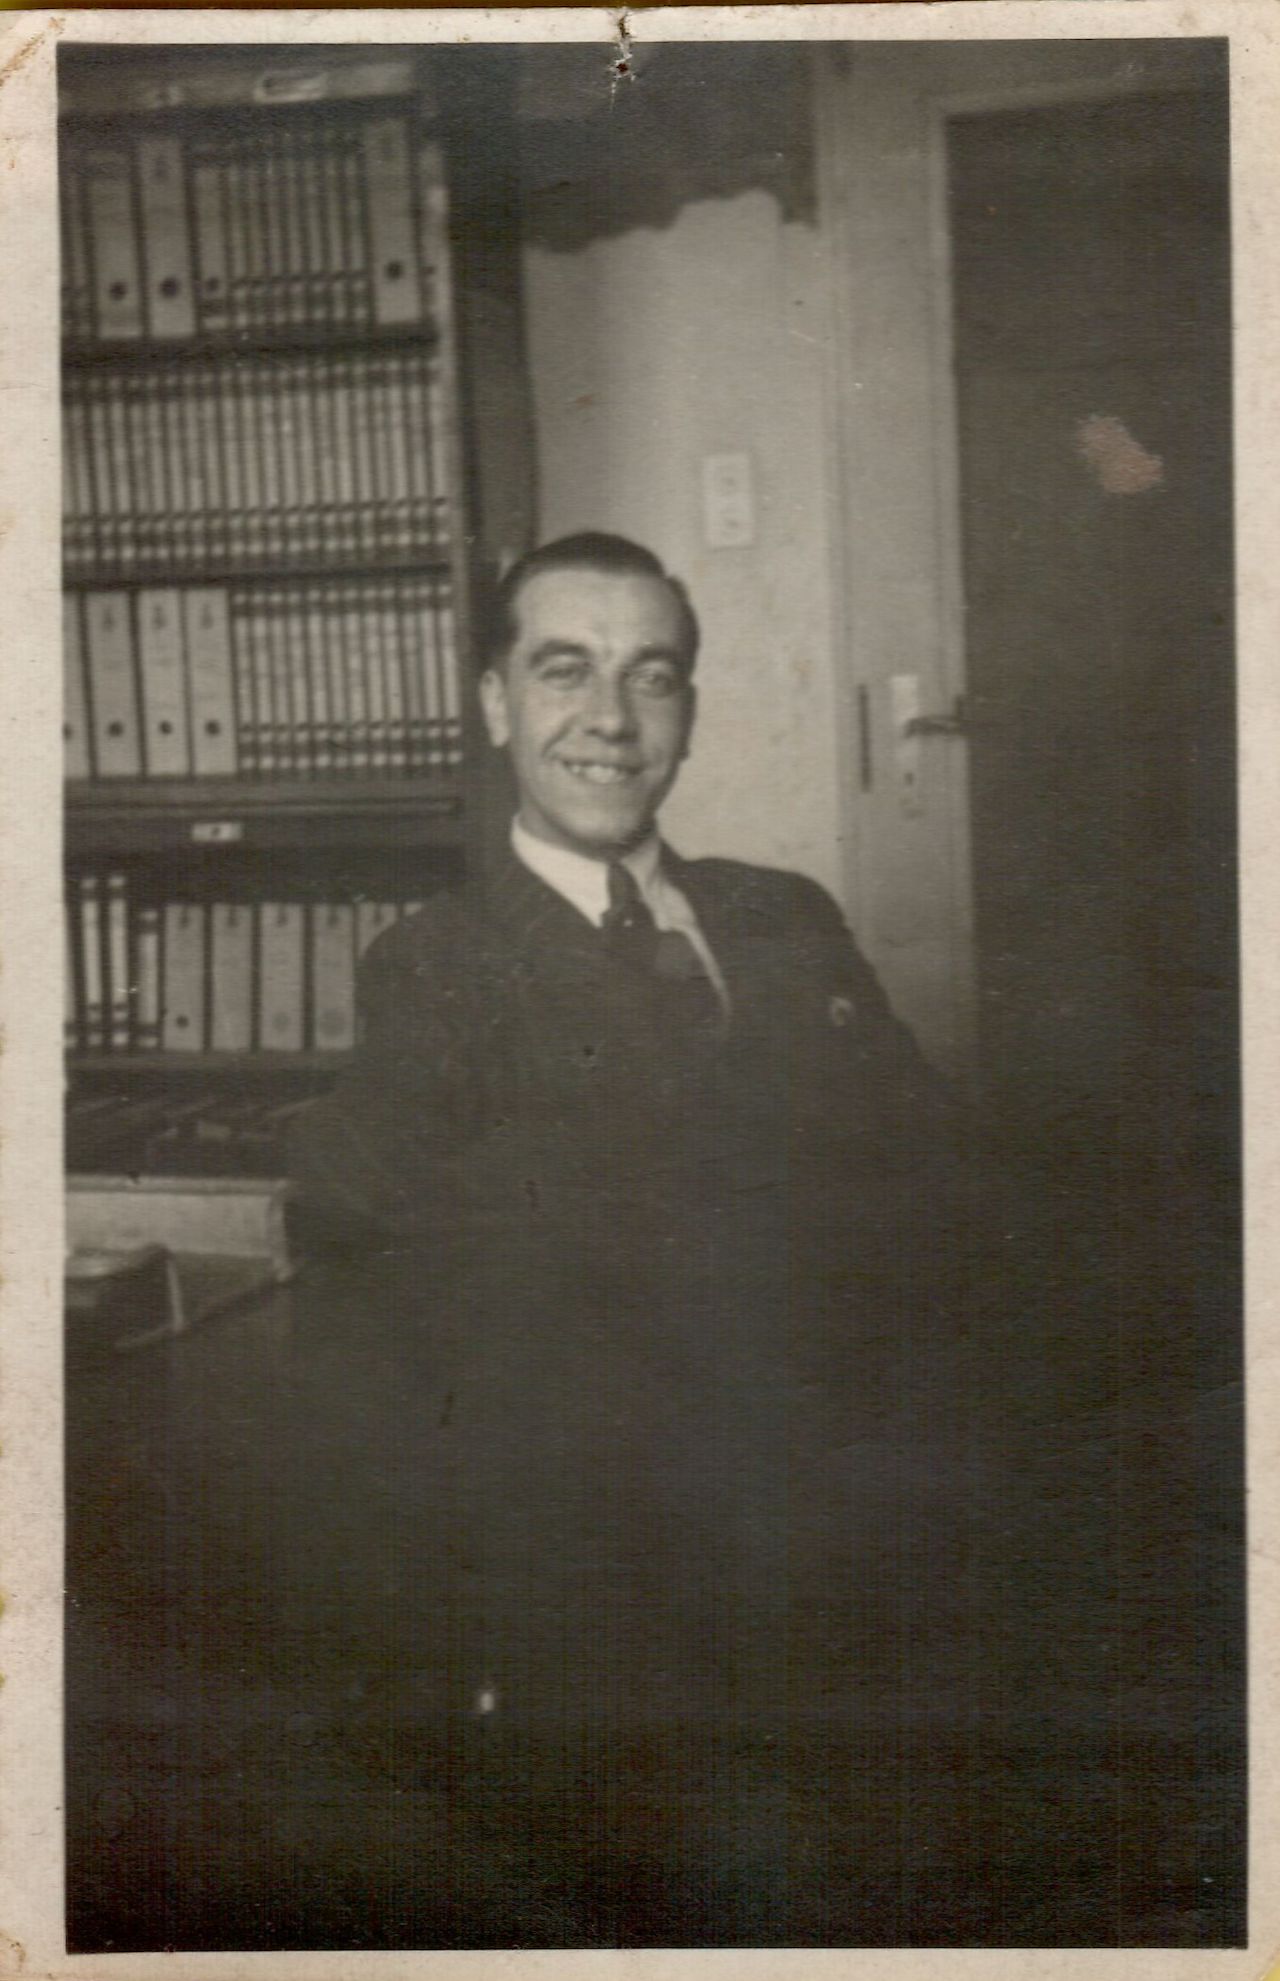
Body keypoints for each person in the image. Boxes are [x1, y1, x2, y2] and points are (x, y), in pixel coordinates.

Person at [288, 533, 981, 1937]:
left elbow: (940, 1187)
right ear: (493, 702)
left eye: (651, 678)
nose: (611, 720)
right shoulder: (437, 966)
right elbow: (445, 1326)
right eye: (566, 672)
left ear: (689, 712)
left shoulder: (782, 915)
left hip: (853, 1528)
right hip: (622, 1584)